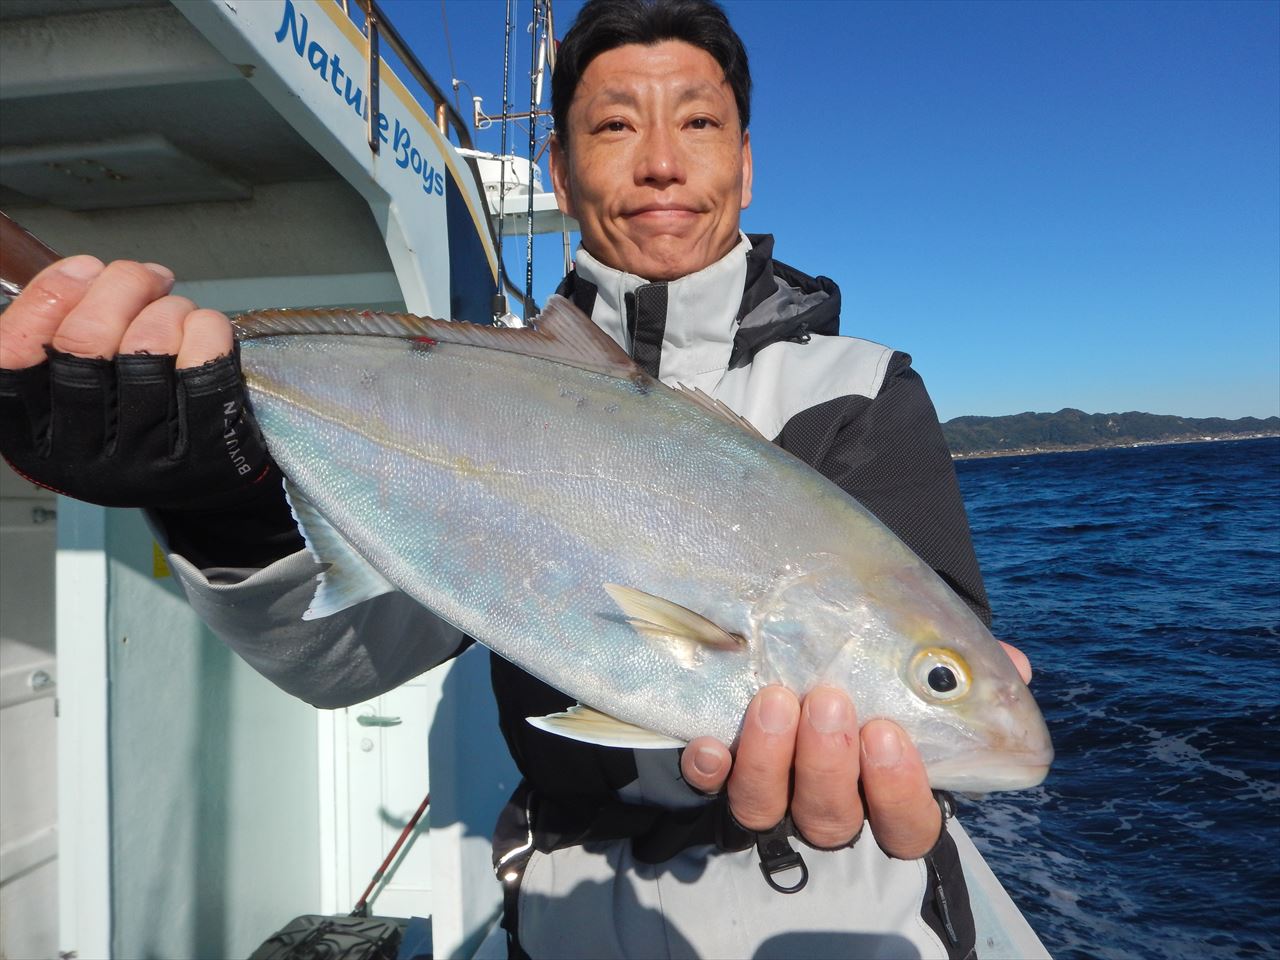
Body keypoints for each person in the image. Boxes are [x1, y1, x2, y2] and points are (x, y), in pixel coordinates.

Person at [0, 1, 1032, 956]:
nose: (662, 164)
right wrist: (217, 500)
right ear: (558, 165)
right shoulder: (475, 371)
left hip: (824, 911)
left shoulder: (856, 391)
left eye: (700, 125)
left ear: (746, 162)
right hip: (563, 905)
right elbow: (342, 661)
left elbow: (915, 657)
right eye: (615, 126)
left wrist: (937, 691)